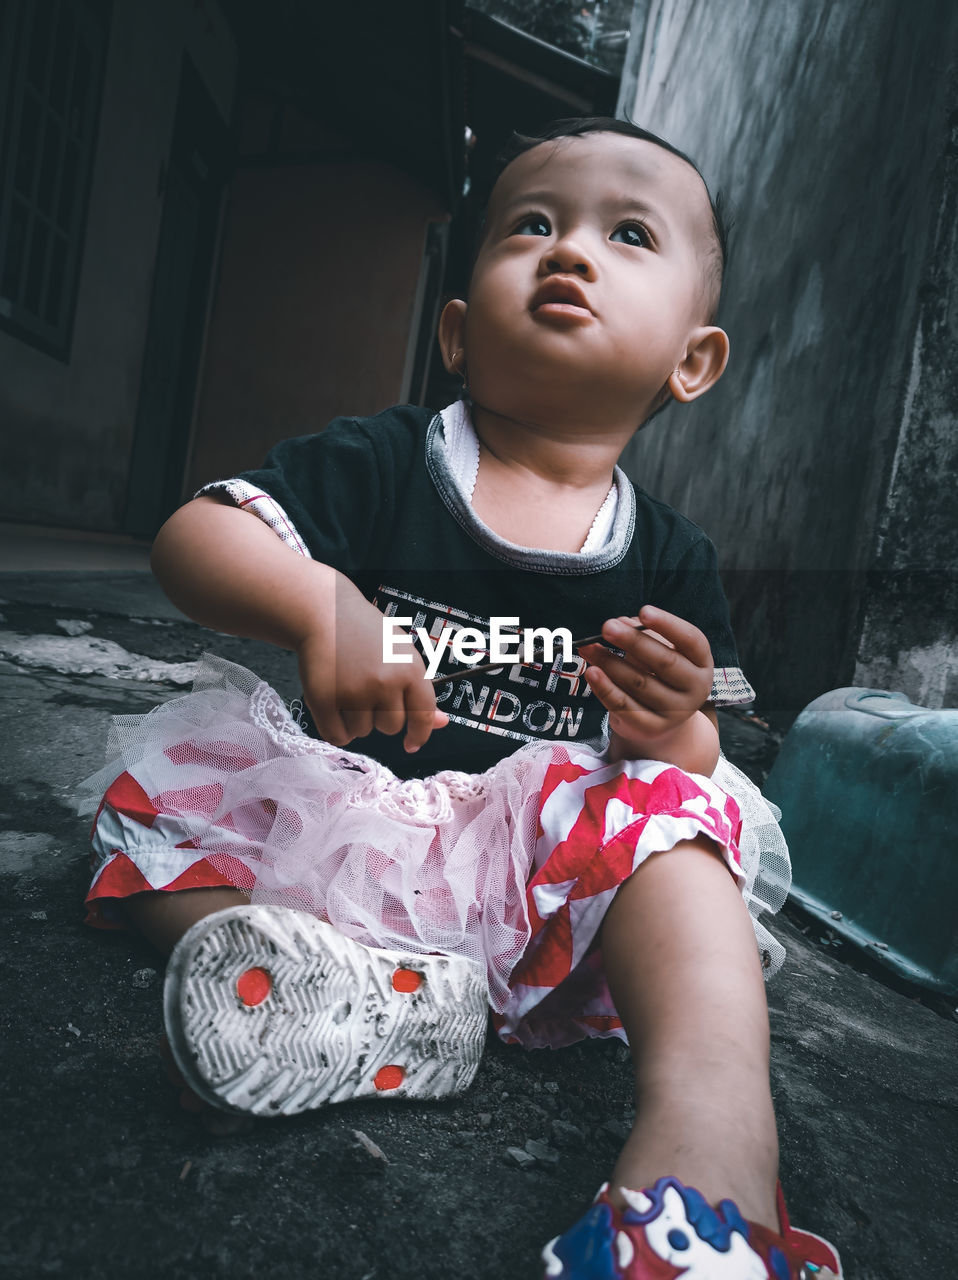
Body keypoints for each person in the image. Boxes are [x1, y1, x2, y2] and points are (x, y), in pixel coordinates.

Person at [80, 118, 842, 1278]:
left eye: (625, 232)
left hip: (540, 884)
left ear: (692, 359)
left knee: (679, 827)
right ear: (454, 328)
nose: (567, 251)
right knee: (153, 794)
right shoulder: (386, 458)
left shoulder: (673, 553)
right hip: (344, 838)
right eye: (531, 224)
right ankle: (311, 993)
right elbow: (194, 539)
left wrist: (678, 719)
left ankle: (710, 1173)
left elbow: (718, 725)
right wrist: (317, 599)